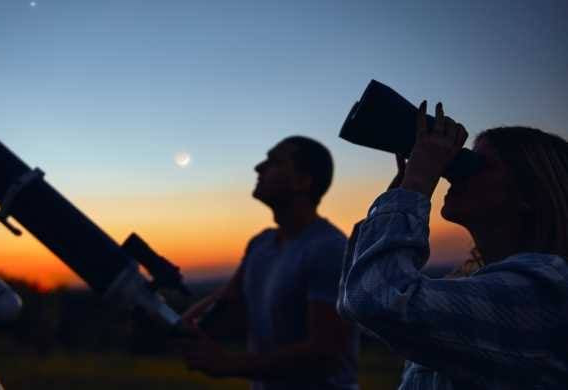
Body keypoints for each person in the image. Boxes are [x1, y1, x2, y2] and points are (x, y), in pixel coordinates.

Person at [337, 101, 568, 388]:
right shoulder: (483, 286)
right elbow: (356, 302)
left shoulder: (546, 292)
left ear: (529, 194)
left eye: (480, 165)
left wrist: (417, 183)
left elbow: (377, 301)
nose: (453, 171)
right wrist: (401, 192)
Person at [179, 136, 360, 390]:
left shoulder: (329, 248)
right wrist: (174, 321)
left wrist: (229, 365)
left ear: (302, 181)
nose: (259, 168)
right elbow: (226, 306)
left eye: (274, 162)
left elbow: (325, 353)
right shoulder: (261, 245)